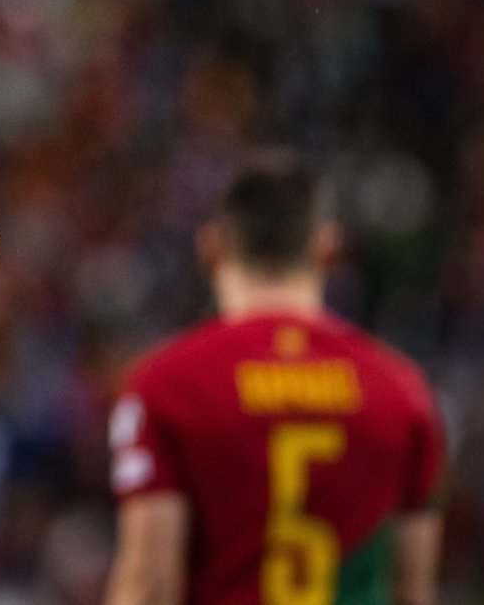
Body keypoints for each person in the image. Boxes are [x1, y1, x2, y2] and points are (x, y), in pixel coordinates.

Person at [104, 150, 444, 605]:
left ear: (211, 247)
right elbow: (412, 592)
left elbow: (149, 587)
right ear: (327, 248)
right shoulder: (402, 392)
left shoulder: (167, 385)